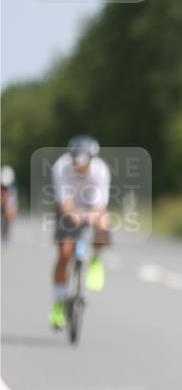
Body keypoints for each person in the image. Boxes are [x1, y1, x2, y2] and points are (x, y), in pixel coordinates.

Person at [49, 136, 111, 329]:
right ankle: (58, 303)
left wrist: (92, 216)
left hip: (91, 206)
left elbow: (100, 205)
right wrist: (73, 214)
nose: (79, 169)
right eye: (76, 164)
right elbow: (64, 202)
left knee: (103, 223)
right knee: (64, 254)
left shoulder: (101, 170)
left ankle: (96, 261)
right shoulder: (60, 167)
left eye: (83, 166)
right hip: (69, 208)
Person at [1, 165, 18, 244]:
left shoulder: (12, 189)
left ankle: (7, 231)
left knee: (10, 215)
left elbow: (13, 206)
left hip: (9, 205)